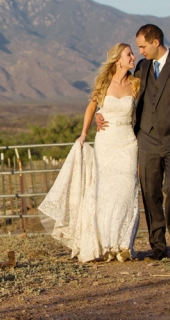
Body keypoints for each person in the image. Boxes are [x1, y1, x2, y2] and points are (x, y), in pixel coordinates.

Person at [97, 24, 170, 261]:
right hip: (146, 138)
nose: (140, 52)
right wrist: (100, 112)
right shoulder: (142, 67)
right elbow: (119, 90)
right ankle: (158, 245)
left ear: (156, 42)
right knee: (150, 190)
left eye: (143, 46)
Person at [38, 43, 141, 263]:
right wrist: (84, 133)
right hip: (106, 141)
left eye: (132, 53)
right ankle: (106, 244)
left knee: (126, 191)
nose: (133, 57)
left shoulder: (136, 83)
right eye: (129, 54)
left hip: (128, 142)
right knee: (105, 194)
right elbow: (91, 107)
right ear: (118, 60)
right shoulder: (103, 83)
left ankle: (124, 244)